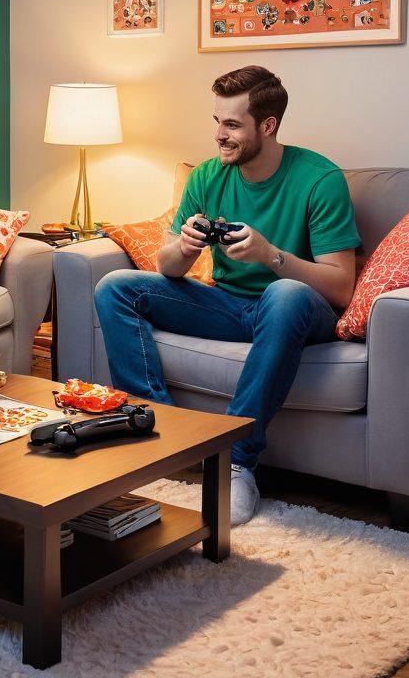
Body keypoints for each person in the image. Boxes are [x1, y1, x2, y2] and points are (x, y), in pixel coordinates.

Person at [94, 66, 360, 526]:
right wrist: (183, 246)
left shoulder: (320, 179)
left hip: (295, 310)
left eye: (232, 125)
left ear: (268, 126)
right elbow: (167, 268)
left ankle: (236, 463)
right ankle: (164, 433)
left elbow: (341, 286)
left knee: (286, 293)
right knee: (115, 287)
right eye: (217, 121)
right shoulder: (208, 176)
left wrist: (269, 255)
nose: (220, 135)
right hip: (228, 305)